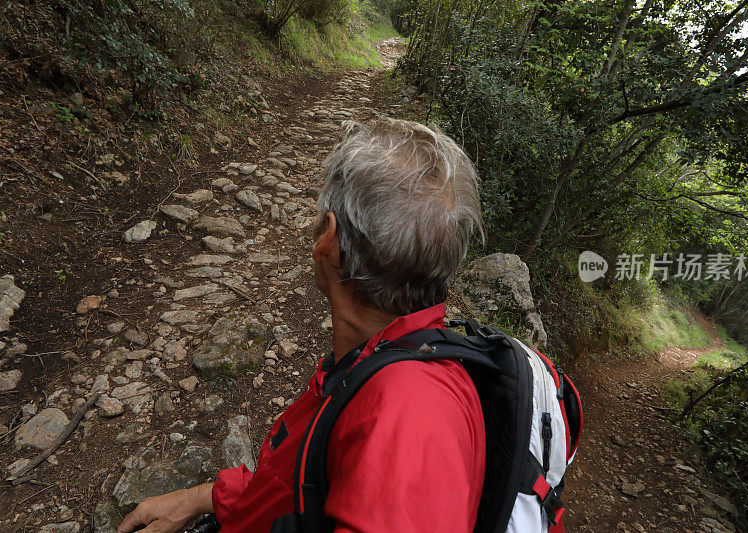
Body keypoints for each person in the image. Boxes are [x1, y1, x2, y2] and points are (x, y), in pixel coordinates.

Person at [118, 117, 486, 533]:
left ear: (327, 241)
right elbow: (300, 491)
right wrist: (206, 497)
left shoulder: (405, 418)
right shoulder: (376, 363)